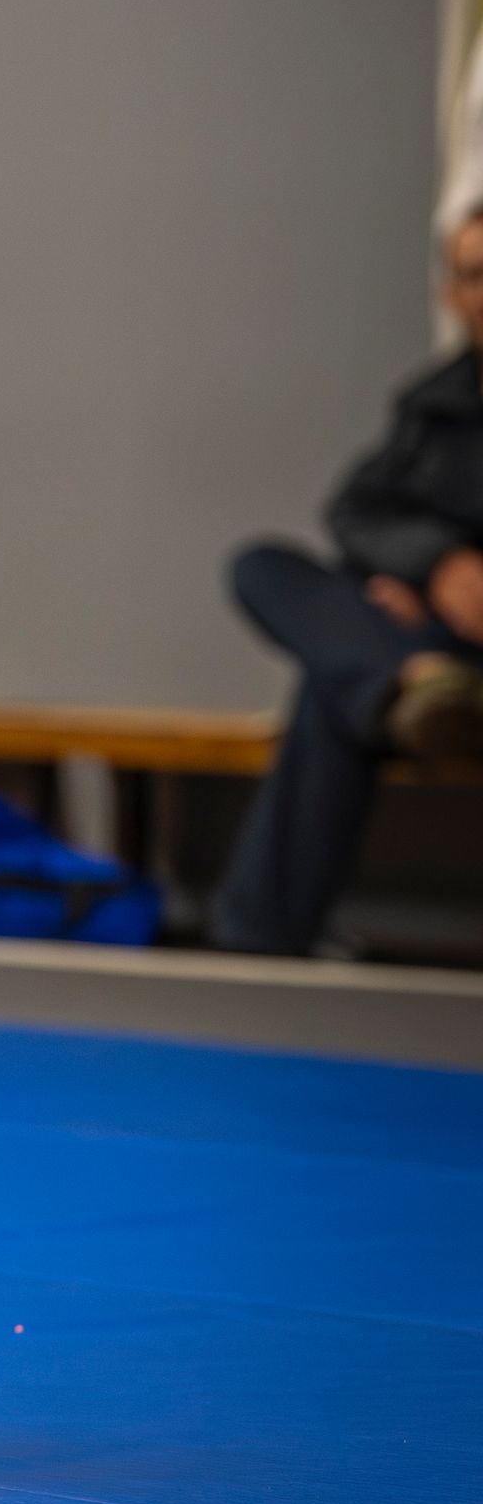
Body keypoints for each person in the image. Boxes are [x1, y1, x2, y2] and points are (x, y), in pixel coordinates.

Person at [214, 203, 483, 955]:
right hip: (433, 636)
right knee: (263, 566)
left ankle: (258, 940)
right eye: (472, 275)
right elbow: (357, 513)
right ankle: (411, 678)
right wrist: (426, 569)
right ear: (450, 294)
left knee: (332, 688)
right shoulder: (436, 401)